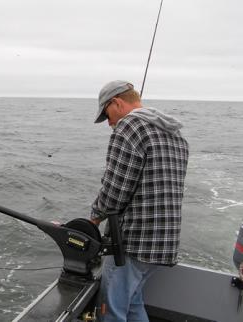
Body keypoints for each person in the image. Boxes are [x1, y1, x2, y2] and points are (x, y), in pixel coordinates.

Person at [90, 80, 189, 322]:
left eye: (107, 114)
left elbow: (115, 192)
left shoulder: (129, 127)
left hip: (134, 244)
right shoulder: (175, 134)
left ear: (117, 103)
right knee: (133, 303)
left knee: (111, 311)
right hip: (164, 243)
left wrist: (92, 221)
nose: (110, 123)